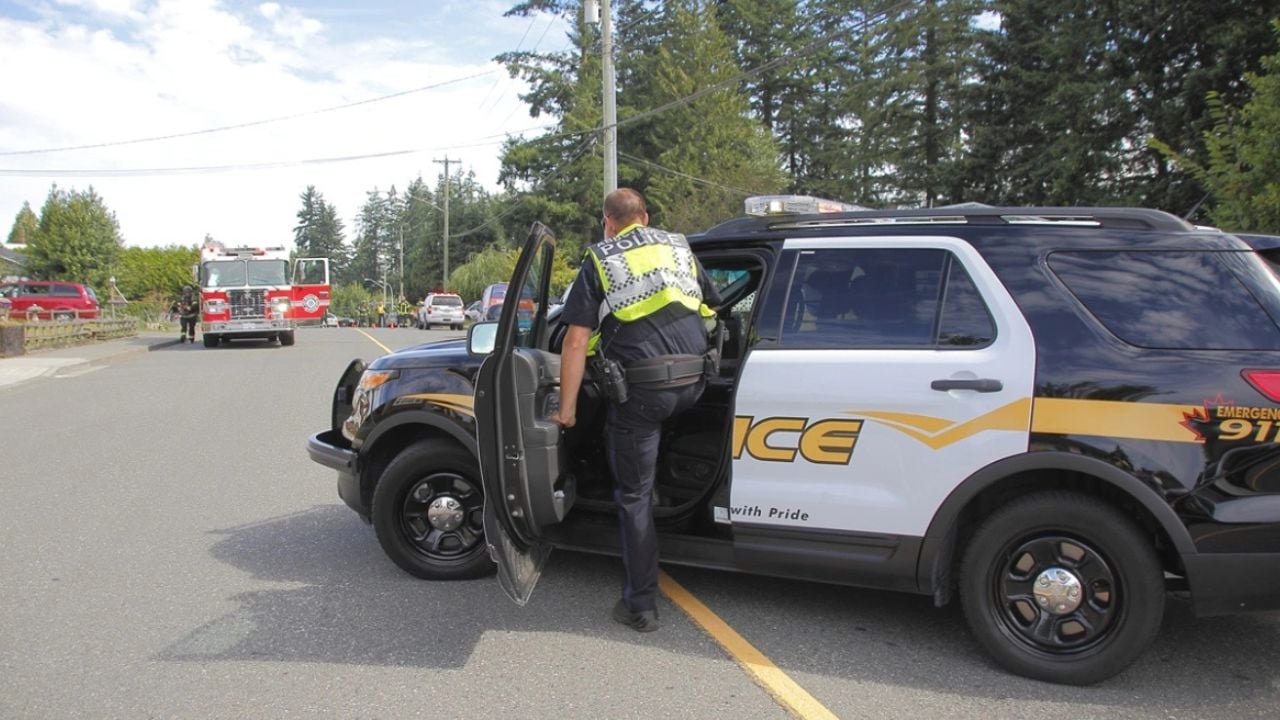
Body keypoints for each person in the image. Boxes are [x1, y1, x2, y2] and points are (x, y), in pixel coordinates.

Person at [550, 188, 720, 633]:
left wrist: (566, 410)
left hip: (643, 395)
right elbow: (713, 305)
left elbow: (573, 341)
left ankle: (640, 604)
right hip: (695, 384)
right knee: (658, 434)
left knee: (633, 495)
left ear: (608, 222)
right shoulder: (679, 247)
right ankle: (664, 492)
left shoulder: (603, 257)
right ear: (645, 217)